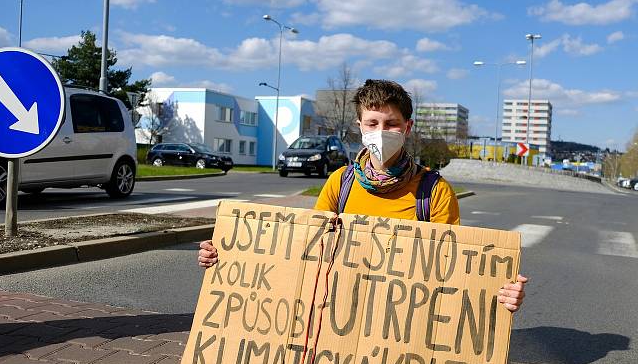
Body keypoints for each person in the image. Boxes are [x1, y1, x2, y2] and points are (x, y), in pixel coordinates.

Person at [198, 79, 526, 312]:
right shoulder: (341, 182)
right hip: (339, 312)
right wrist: (228, 256)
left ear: (407, 128)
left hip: (403, 318)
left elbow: (456, 267)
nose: (381, 132)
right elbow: (302, 247)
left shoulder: (434, 191)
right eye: (372, 122)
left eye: (392, 123)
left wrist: (500, 291)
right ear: (360, 126)